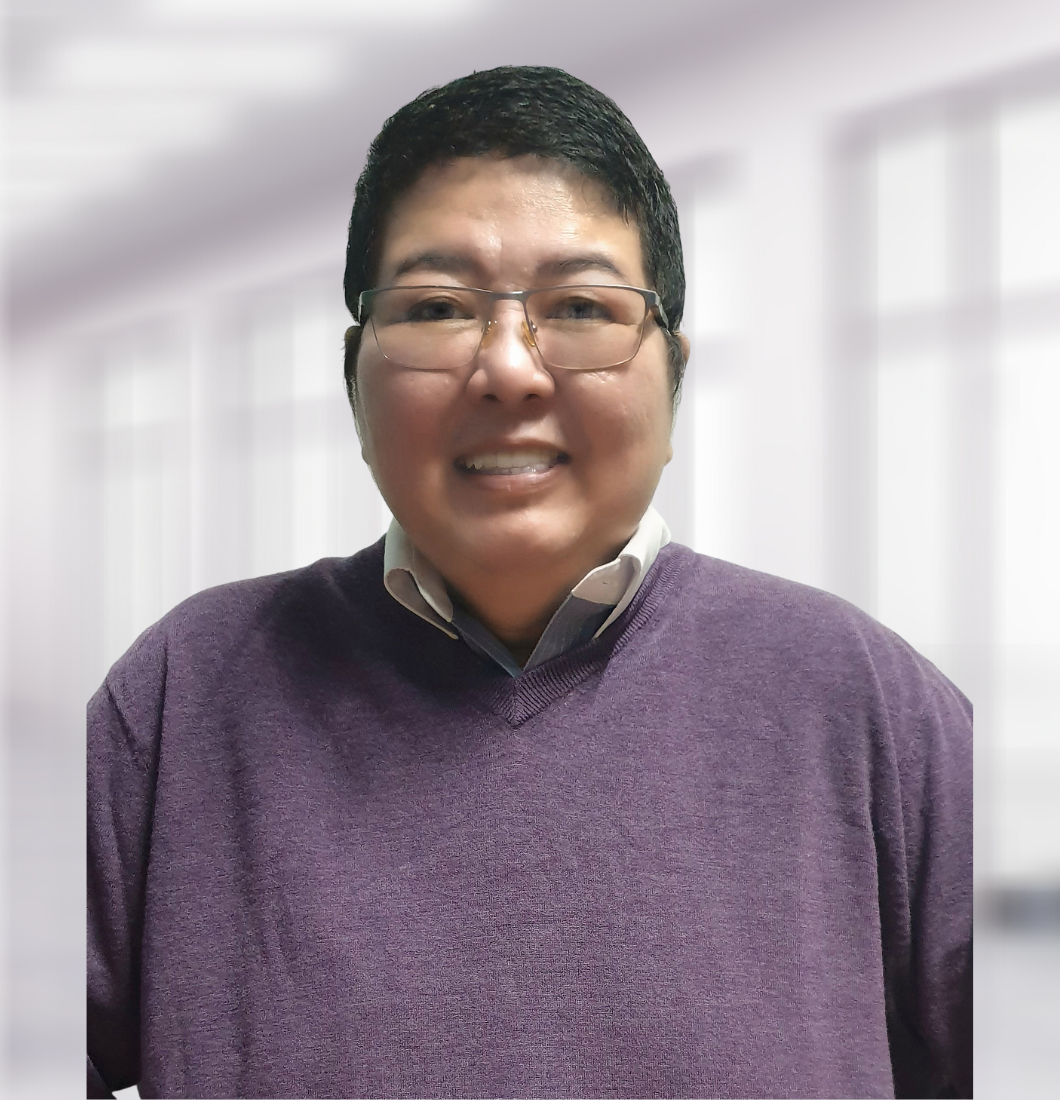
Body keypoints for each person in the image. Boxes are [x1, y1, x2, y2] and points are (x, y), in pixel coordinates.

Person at [87, 66, 972, 1099]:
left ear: (674, 375)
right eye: (436, 306)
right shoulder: (182, 695)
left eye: (582, 305)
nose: (509, 369)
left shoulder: (871, 706)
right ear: (353, 379)